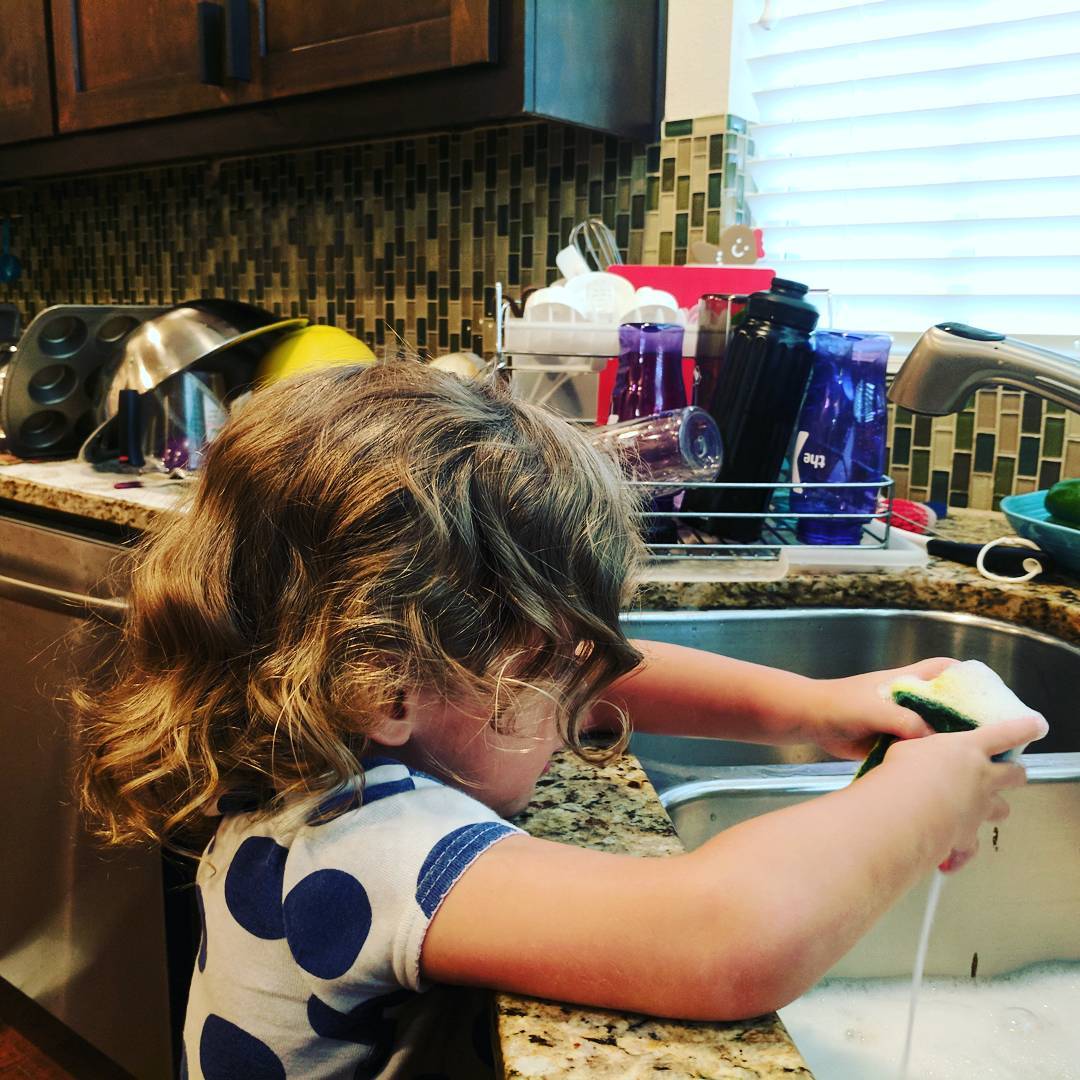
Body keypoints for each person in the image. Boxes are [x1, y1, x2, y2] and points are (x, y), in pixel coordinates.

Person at [76, 362, 1046, 1079]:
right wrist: (921, 804)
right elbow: (722, 938)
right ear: (386, 687)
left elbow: (607, 674)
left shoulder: (296, 753)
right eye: (551, 658)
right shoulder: (376, 845)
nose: (587, 686)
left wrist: (817, 707)